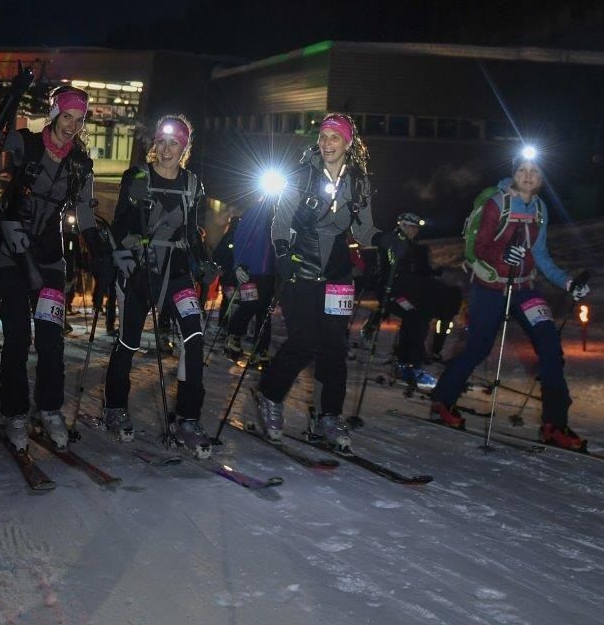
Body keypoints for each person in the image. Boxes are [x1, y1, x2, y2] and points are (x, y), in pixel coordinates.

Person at [255, 113, 400, 450]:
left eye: (335, 137)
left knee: (334, 347)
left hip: (337, 273)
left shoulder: (358, 182)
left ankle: (328, 416)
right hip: (300, 267)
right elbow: (281, 221)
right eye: (323, 137)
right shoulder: (302, 175)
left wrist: (382, 240)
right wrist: (281, 254)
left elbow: (362, 229)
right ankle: (270, 396)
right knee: (304, 341)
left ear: (348, 143)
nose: (327, 143)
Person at [429, 150, 591, 449]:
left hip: (524, 289)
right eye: (522, 171)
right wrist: (502, 254)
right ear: (514, 174)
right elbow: (480, 246)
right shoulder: (496, 203)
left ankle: (555, 423)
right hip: (490, 287)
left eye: (535, 171)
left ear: (541, 178)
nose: (528, 176)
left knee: (550, 348)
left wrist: (568, 282)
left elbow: (540, 255)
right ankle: (443, 400)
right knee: (478, 348)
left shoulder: (540, 208)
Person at [0, 85, 107, 452]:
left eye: (79, 119)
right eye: (66, 116)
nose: (71, 125)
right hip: (10, 253)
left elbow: (85, 214)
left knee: (52, 340)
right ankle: (15, 413)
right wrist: (12, 95)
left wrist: (99, 250)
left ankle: (50, 409)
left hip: (50, 258)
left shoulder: (81, 164)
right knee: (19, 338)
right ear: (54, 114)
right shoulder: (23, 143)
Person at [103, 114, 218, 457]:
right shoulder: (137, 176)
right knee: (130, 339)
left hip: (178, 270)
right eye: (162, 142)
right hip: (142, 268)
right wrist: (126, 247)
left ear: (184, 148)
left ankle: (187, 418)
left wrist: (205, 261)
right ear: (155, 144)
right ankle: (115, 406)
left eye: (175, 144)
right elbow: (119, 224)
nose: (167, 150)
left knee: (194, 335)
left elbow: (194, 233)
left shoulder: (192, 183)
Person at [381, 212, 462, 388]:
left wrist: (432, 274)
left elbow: (417, 273)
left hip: (405, 292)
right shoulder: (394, 242)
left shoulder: (413, 247)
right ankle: (412, 366)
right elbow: (390, 272)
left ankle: (409, 363)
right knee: (417, 317)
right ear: (403, 226)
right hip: (394, 294)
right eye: (413, 227)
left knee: (419, 314)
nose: (415, 231)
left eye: (417, 228)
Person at [224, 197, 275, 368]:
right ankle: (234, 334)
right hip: (250, 271)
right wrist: (238, 265)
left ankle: (261, 348)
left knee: (265, 311)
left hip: (271, 273)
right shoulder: (255, 211)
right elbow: (240, 238)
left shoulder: (283, 213)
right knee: (250, 304)